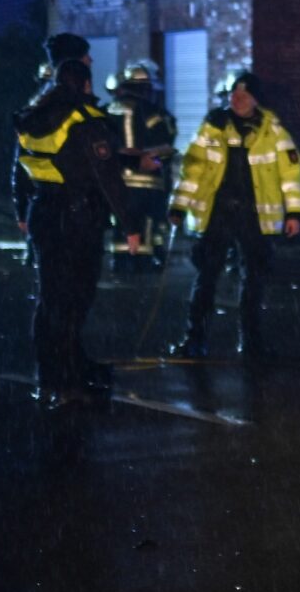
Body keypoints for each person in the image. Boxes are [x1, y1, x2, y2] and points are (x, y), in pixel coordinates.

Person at [12, 35, 124, 409]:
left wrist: (21, 209)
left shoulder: (36, 108)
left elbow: (21, 164)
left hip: (44, 211)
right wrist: (130, 222)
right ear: (77, 69)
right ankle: (68, 379)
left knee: (51, 301)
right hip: (77, 217)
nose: (93, 60)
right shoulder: (81, 116)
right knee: (73, 300)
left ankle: (54, 376)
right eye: (86, 57)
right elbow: (103, 173)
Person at [169, 70, 300, 362]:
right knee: (206, 278)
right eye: (234, 93)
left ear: (256, 99)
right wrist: (179, 205)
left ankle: (252, 345)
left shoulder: (273, 131)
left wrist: (294, 212)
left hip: (254, 217)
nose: (238, 99)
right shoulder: (213, 126)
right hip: (218, 214)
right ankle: (194, 341)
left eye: (244, 94)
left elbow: (290, 175)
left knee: (254, 281)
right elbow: (192, 169)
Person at [105, 61, 177, 270]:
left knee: (122, 221)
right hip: (145, 182)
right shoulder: (152, 112)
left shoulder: (109, 109)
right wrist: (154, 159)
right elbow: (166, 143)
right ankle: (140, 261)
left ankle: (120, 260)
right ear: (146, 88)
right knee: (145, 222)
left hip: (116, 179)